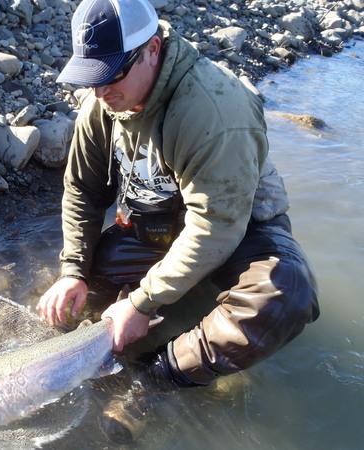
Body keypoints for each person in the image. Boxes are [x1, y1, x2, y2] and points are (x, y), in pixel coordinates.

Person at [36, 0, 319, 439]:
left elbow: (215, 228)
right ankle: (166, 323)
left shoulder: (213, 110)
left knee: (284, 296)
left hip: (240, 231)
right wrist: (72, 269)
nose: (100, 92)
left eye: (111, 75)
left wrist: (140, 303)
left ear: (152, 49)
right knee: (84, 295)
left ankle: (153, 382)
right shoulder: (104, 102)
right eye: (91, 78)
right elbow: (83, 191)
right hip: (157, 228)